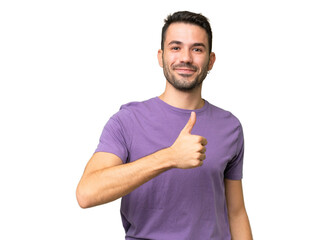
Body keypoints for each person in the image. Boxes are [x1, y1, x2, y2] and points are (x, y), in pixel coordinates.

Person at [76, 11, 253, 240]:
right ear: (161, 57)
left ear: (211, 60)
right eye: (176, 47)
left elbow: (236, 213)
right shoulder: (127, 121)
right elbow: (86, 193)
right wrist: (170, 157)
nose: (186, 58)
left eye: (197, 49)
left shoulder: (230, 127)